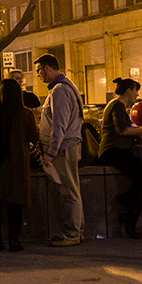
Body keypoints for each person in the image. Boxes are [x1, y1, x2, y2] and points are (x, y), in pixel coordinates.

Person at [97, 77, 142, 238]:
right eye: (136, 90)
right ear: (129, 90)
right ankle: (129, 210)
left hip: (118, 151)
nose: (137, 94)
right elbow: (122, 130)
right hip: (112, 152)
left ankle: (129, 203)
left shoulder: (117, 106)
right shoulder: (117, 106)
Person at [0, 79, 40, 253]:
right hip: (16, 163)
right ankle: (14, 240)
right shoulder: (25, 114)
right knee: (16, 203)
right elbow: (34, 139)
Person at [35, 53, 85, 247]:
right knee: (72, 190)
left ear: (48, 68)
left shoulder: (59, 91)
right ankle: (76, 231)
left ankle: (71, 234)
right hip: (68, 147)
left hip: (64, 149)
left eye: (39, 70)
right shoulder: (65, 87)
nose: (38, 75)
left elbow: (59, 126)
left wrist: (51, 153)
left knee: (67, 192)